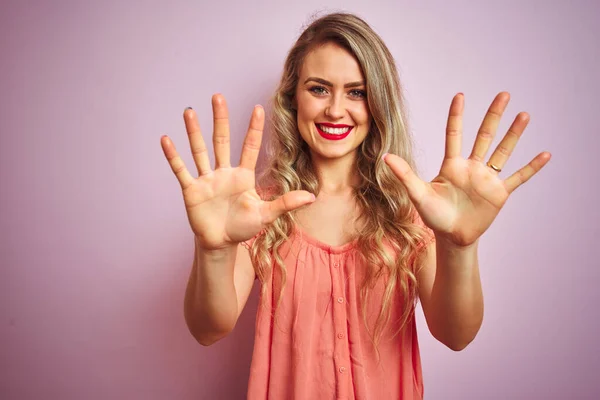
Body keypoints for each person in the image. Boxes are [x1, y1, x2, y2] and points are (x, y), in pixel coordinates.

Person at [160, 12, 551, 400]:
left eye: (356, 92)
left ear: (377, 102)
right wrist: (213, 249)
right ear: (292, 98)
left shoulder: (411, 212)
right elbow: (208, 328)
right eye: (318, 89)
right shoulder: (261, 211)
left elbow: (456, 335)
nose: (334, 110)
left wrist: (460, 246)